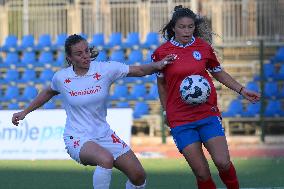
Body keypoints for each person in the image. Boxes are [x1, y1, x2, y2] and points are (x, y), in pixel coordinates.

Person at [11, 34, 176, 189]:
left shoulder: (105, 69)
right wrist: (25, 112)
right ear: (69, 58)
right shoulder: (61, 77)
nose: (85, 56)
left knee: (139, 176)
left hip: (103, 134)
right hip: (77, 137)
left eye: (87, 51)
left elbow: (138, 70)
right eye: (78, 53)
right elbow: (47, 92)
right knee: (105, 159)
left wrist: (158, 65)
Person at [152, 5, 260, 189]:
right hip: (180, 118)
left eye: (190, 26)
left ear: (195, 27)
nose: (186, 31)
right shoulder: (161, 53)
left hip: (207, 114)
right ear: (173, 28)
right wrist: (166, 111)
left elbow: (218, 72)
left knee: (223, 162)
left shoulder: (203, 47)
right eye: (182, 27)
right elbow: (161, 85)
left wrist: (242, 90)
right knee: (202, 173)